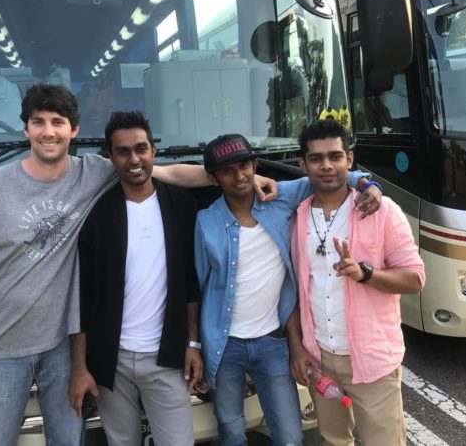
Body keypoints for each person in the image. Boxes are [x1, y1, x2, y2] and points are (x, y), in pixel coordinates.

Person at [0, 85, 276, 446]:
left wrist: (248, 179)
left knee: (68, 441)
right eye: (39, 122)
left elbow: (170, 173)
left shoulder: (93, 173)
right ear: (25, 128)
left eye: (58, 122)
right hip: (2, 347)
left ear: (74, 130)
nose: (48, 131)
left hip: (61, 348)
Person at [194, 133, 380, 446]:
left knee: (290, 435)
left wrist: (367, 183)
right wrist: (197, 345)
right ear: (214, 178)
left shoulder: (279, 199)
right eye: (227, 171)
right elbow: (202, 285)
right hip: (225, 345)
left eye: (244, 166)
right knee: (231, 428)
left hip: (273, 342)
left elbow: (325, 178)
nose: (239, 176)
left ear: (255, 166)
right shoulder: (206, 221)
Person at [288, 119, 425, 446]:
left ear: (349, 160)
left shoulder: (382, 211)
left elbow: (415, 278)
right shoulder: (296, 216)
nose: (327, 166)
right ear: (303, 164)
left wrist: (367, 274)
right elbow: (294, 291)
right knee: (334, 439)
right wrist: (298, 348)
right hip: (320, 357)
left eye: (335, 156)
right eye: (317, 158)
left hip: (371, 358)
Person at [69, 111, 203, 445]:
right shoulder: (96, 216)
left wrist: (192, 343)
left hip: (167, 358)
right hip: (110, 361)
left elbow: (190, 284)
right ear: (110, 157)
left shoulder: (181, 207)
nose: (134, 159)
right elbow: (83, 296)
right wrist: (80, 366)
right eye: (123, 151)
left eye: (141, 148)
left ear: (153, 151)